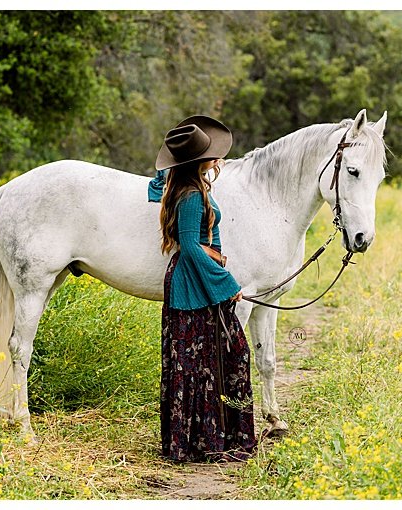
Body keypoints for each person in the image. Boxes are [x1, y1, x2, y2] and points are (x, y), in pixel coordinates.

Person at [147, 116, 256, 463]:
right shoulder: (192, 195)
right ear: (199, 162)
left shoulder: (187, 188)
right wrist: (227, 286)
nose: (218, 158)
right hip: (194, 283)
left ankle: (199, 440)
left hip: (194, 281)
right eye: (211, 154)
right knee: (228, 355)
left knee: (198, 365)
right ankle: (210, 440)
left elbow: (189, 241)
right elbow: (192, 246)